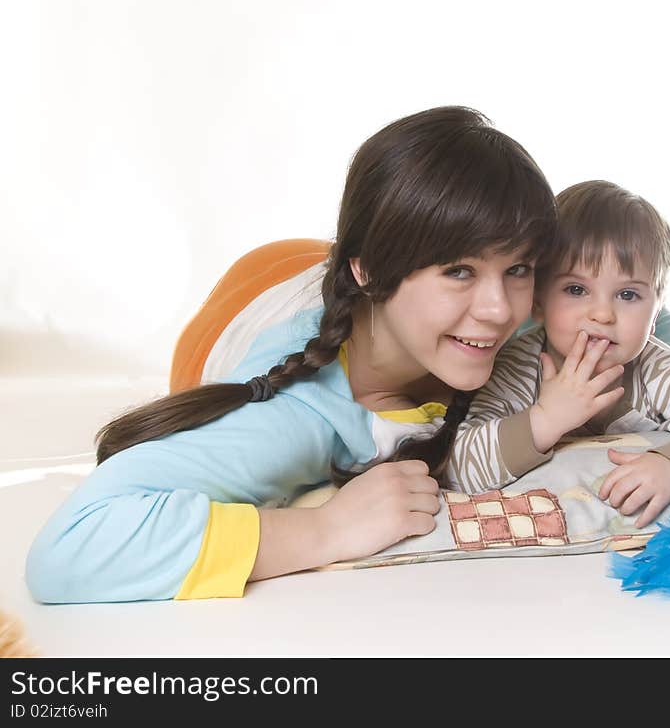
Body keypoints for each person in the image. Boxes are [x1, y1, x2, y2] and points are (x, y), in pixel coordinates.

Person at [25, 106, 559, 603]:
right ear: (367, 268)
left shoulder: (519, 310)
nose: (498, 310)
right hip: (248, 297)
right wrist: (326, 528)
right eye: (459, 270)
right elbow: (71, 547)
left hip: (333, 273)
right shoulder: (292, 416)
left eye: (517, 268)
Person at [446, 180, 670, 528]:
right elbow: (459, 466)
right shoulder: (520, 367)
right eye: (576, 289)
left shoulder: (654, 368)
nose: (602, 314)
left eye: (628, 295)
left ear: (657, 309)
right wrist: (547, 417)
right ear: (537, 303)